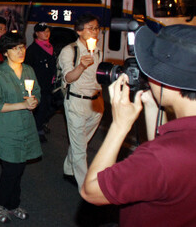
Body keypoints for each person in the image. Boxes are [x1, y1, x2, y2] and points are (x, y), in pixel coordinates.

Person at [81, 25, 196, 226]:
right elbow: (165, 174)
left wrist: (119, 125)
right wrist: (152, 105)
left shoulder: (161, 156)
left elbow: (91, 191)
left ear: (167, 81)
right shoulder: (176, 146)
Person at [0, 32, 41, 223]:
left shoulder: (28, 70)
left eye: (22, 47)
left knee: (19, 168)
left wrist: (34, 101)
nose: (21, 51)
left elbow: (37, 92)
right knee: (11, 169)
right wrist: (22, 105)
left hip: (26, 127)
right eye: (15, 48)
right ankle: (0, 203)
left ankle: (13, 204)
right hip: (7, 129)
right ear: (5, 52)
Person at [58, 14, 103, 188]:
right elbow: (68, 78)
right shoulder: (70, 50)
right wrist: (82, 66)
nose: (95, 31)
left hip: (96, 103)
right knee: (80, 148)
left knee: (81, 142)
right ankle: (86, 187)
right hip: (77, 102)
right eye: (91, 28)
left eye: (97, 28)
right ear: (79, 31)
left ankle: (69, 169)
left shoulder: (98, 49)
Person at [24, 22, 57, 142]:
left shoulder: (50, 47)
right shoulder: (32, 50)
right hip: (39, 85)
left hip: (50, 83)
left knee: (52, 105)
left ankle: (41, 123)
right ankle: (38, 129)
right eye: (43, 31)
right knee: (41, 107)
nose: (46, 34)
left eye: (48, 31)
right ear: (37, 34)